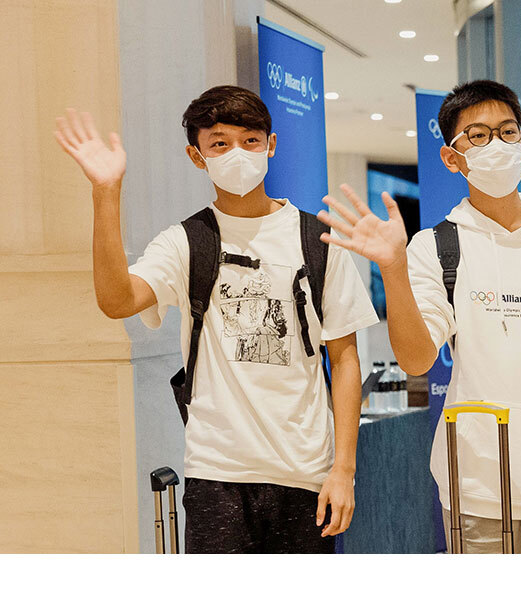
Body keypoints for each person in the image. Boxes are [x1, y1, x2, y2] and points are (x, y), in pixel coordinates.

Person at [54, 85, 378, 553]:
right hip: (217, 473)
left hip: (306, 472)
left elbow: (345, 361)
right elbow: (116, 300)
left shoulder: (316, 239)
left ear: (271, 144)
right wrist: (106, 193)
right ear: (196, 155)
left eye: (250, 140)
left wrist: (343, 468)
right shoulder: (186, 240)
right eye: (219, 143)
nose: (238, 154)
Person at [317, 80, 521, 553]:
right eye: (477, 136)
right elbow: (418, 360)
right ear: (451, 157)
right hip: (477, 486)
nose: (496, 145)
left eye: (506, 131)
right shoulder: (438, 247)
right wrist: (394, 269)